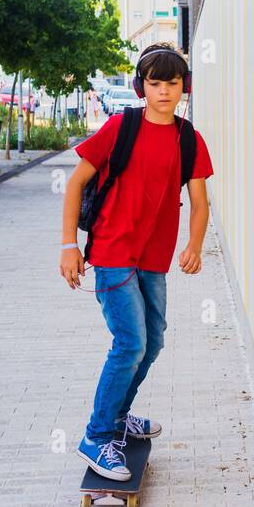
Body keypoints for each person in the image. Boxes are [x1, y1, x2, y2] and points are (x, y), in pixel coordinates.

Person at [58, 44, 213, 480]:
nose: (164, 91)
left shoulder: (188, 138)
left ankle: (119, 415)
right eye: (155, 83)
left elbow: (199, 203)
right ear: (141, 87)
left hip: (154, 258)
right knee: (130, 343)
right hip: (112, 252)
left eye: (173, 83)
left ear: (185, 87)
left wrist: (195, 246)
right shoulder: (120, 127)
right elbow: (75, 184)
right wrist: (68, 245)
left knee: (154, 341)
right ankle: (96, 435)